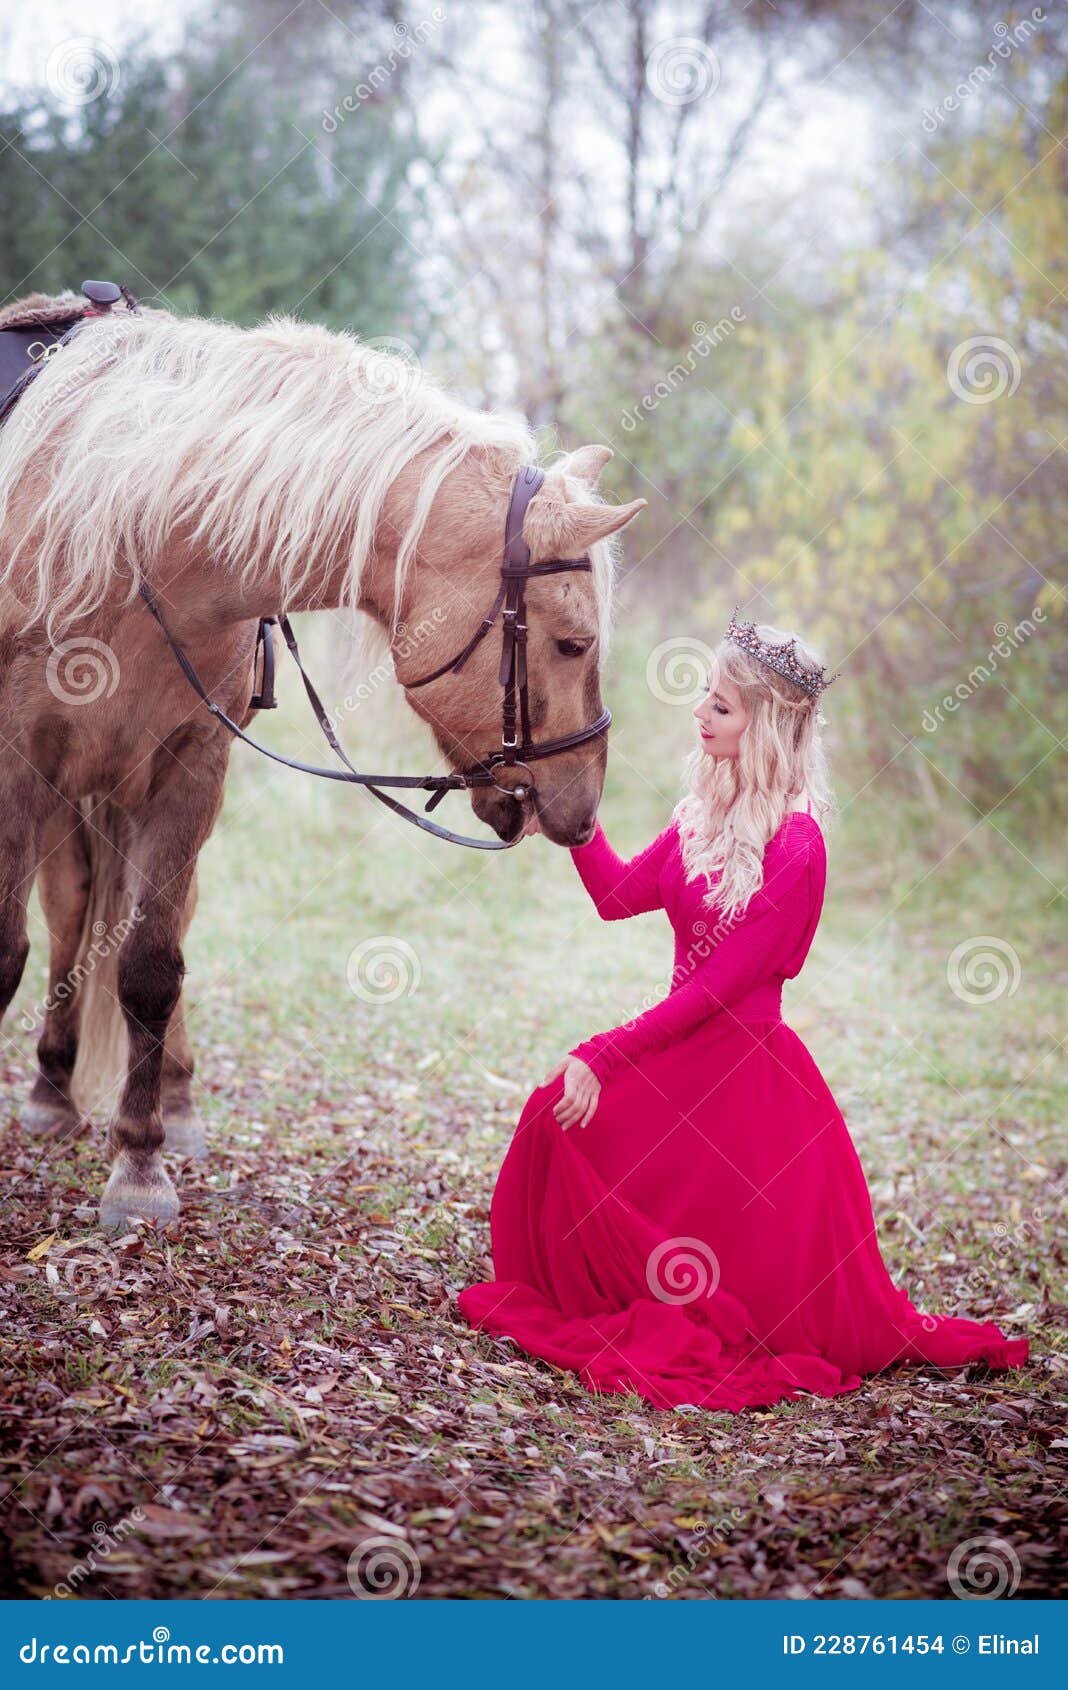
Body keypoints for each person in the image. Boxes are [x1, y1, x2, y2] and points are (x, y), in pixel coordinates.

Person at [458, 612, 1029, 1410]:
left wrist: (602, 1050)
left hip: (745, 1077)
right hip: (680, 1055)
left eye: (721, 706)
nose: (701, 713)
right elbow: (618, 895)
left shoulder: (796, 845)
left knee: (722, 1273)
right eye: (704, 697)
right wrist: (569, 814)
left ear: (765, 725)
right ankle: (605, 1292)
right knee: (555, 1118)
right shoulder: (699, 818)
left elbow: (715, 990)